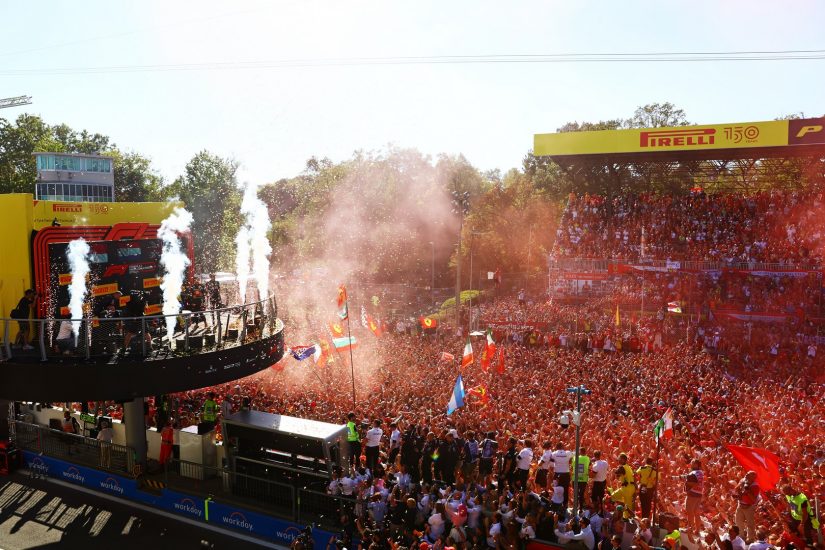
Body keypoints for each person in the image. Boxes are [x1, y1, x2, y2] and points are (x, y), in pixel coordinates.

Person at [733, 471, 760, 543]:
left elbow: (753, 499)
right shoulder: (742, 480)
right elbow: (736, 489)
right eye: (747, 473)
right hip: (740, 504)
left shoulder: (755, 486)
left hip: (749, 507)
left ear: (753, 477)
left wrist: (748, 491)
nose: (746, 474)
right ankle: (741, 536)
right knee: (738, 521)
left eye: (749, 474)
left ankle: (750, 539)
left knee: (750, 524)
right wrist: (741, 486)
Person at [682, 459, 704, 532]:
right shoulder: (700, 472)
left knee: (690, 512)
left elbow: (695, 483)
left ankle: (690, 529)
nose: (691, 463)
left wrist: (687, 483)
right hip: (699, 494)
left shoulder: (694, 473)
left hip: (692, 494)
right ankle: (697, 530)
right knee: (696, 513)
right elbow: (686, 477)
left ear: (697, 465)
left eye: (693, 462)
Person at [552, 442, 574, 511]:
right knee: (566, 490)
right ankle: (565, 505)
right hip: (565, 474)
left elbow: (551, 461)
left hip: (557, 474)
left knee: (556, 490)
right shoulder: (567, 453)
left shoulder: (554, 453)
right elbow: (574, 454)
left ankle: (557, 505)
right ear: (563, 447)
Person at [574, 447, 591, 512]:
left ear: (580, 452)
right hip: (584, 479)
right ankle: (580, 508)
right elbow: (589, 466)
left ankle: (577, 506)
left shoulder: (575, 458)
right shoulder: (588, 458)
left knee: (576, 493)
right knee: (581, 494)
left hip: (576, 478)